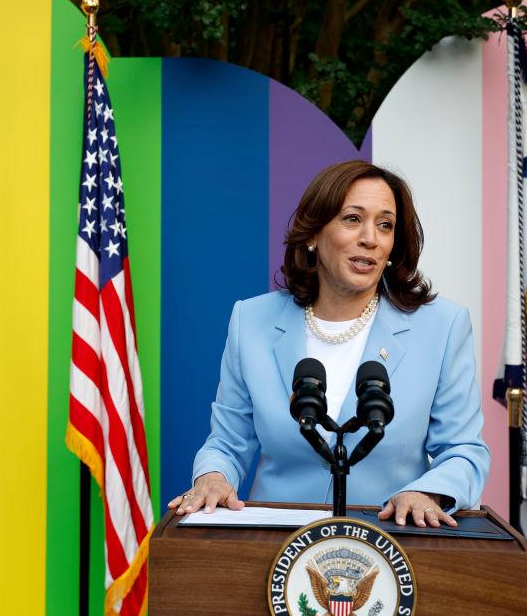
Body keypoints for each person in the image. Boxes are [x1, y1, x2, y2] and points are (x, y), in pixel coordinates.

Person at [168, 160, 490, 527]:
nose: (370, 237)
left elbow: (463, 451)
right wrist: (213, 476)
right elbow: (227, 443)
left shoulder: (442, 327)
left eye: (385, 225)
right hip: (279, 546)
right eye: (353, 219)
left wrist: (427, 492)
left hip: (391, 542)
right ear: (312, 234)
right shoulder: (252, 321)